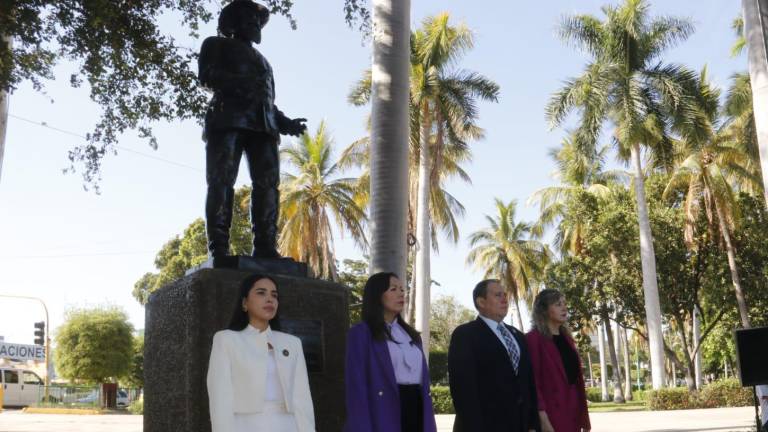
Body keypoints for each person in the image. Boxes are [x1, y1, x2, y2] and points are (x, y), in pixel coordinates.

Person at [198, 0, 307, 258]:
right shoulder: (216, 44)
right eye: (249, 18)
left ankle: (266, 246)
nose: (255, 24)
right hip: (228, 120)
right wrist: (242, 82)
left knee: (268, 185)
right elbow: (207, 76)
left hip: (263, 127)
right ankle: (219, 247)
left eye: (258, 21)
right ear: (233, 22)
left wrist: (285, 122)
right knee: (221, 181)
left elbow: (268, 101)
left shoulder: (264, 61)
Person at [206, 274, 315, 432]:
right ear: (244, 303)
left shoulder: (292, 343)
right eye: (261, 293)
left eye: (274, 295)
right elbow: (220, 400)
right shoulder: (226, 339)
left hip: (289, 425)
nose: (270, 299)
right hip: (244, 426)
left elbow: (302, 398)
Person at [344, 272, 437, 432]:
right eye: (393, 289)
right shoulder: (361, 333)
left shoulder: (412, 335)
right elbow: (356, 387)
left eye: (402, 289)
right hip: (383, 410)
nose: (401, 293)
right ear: (377, 295)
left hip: (416, 407)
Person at [448, 279, 540, 432]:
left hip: (521, 425)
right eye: (498, 295)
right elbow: (463, 389)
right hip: (484, 425)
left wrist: (532, 422)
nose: (505, 299)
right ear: (481, 302)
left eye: (505, 294)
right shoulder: (465, 334)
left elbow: (528, 382)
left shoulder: (517, 335)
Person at [526, 289, 590, 432]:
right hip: (552, 415)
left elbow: (576, 382)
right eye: (557, 304)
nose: (564, 307)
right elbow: (533, 383)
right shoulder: (533, 339)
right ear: (544, 310)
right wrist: (543, 419)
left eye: (564, 303)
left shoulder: (567, 339)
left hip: (573, 412)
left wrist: (584, 420)